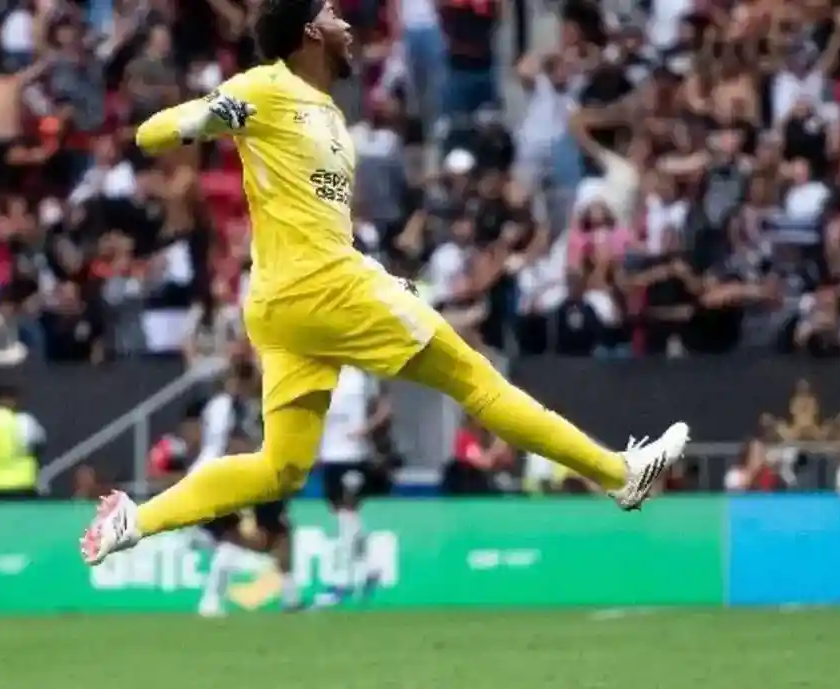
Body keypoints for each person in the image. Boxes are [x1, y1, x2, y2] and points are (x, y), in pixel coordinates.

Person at [80, 0, 689, 566]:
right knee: (475, 380)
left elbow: (315, 219)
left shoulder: (331, 116)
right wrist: (213, 115)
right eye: (332, 12)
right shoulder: (263, 87)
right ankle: (618, 473)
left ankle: (137, 520)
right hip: (319, 289)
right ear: (310, 31)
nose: (346, 22)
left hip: (294, 298)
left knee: (281, 470)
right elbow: (152, 133)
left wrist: (377, 275)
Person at [194, 362, 300, 616]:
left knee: (256, 534)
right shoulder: (237, 407)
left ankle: (288, 596)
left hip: (216, 473)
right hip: (229, 475)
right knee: (244, 536)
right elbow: (232, 442)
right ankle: (211, 600)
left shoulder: (219, 406)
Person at [315, 367, 390, 604]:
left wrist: (366, 428)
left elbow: (385, 407)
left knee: (347, 513)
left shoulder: (360, 376)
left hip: (354, 455)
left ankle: (341, 582)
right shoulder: (320, 375)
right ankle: (370, 568)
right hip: (329, 456)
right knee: (345, 516)